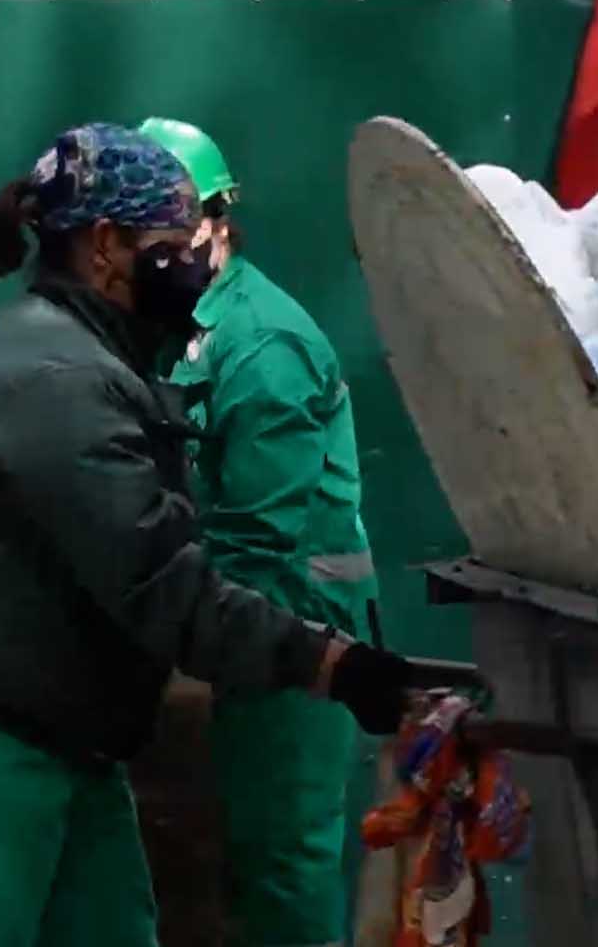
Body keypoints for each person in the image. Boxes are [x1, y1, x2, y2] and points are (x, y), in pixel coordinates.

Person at [0, 123, 415, 947]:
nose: (194, 260)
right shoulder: (54, 381)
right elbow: (161, 581)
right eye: (172, 241)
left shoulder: (96, 362)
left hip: (68, 751)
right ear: (108, 247)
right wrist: (330, 663)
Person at [138, 117, 379, 946]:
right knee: (249, 853)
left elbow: (257, 537)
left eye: (174, 222)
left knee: (286, 859)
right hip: (245, 618)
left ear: (218, 220)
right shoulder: (186, 326)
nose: (158, 244)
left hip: (300, 618)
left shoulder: (261, 344)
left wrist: (169, 617)